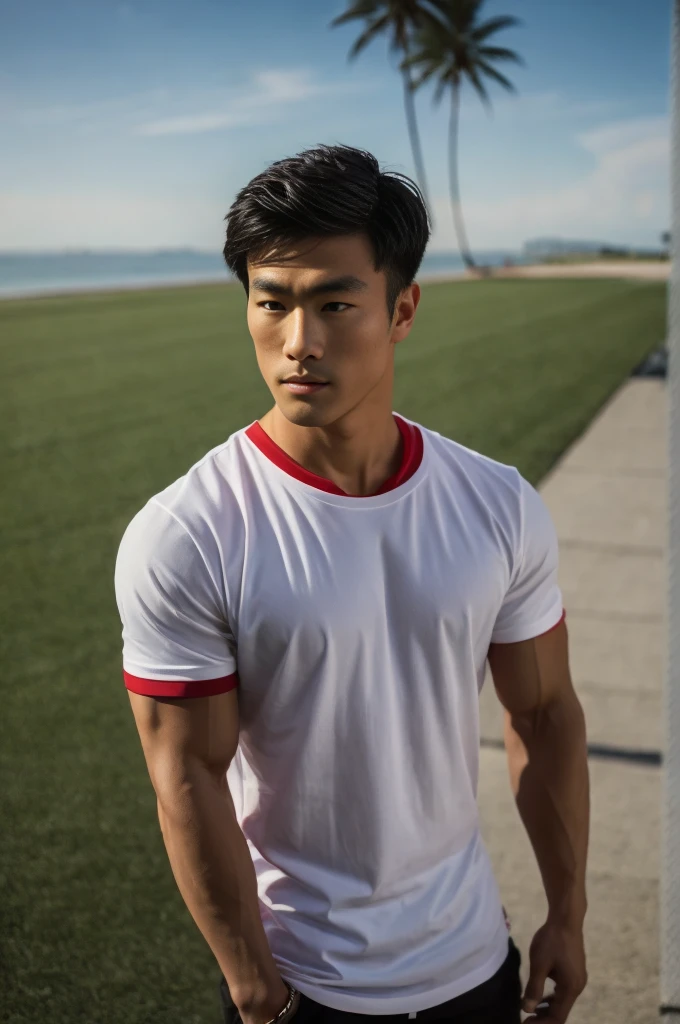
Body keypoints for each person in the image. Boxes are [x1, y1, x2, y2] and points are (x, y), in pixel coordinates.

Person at [114, 144, 589, 1024]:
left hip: (477, 963)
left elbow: (546, 713)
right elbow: (186, 773)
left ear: (402, 308)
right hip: (304, 988)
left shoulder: (495, 504)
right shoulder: (189, 532)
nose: (299, 343)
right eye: (272, 303)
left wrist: (569, 909)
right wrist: (257, 990)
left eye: (336, 302)